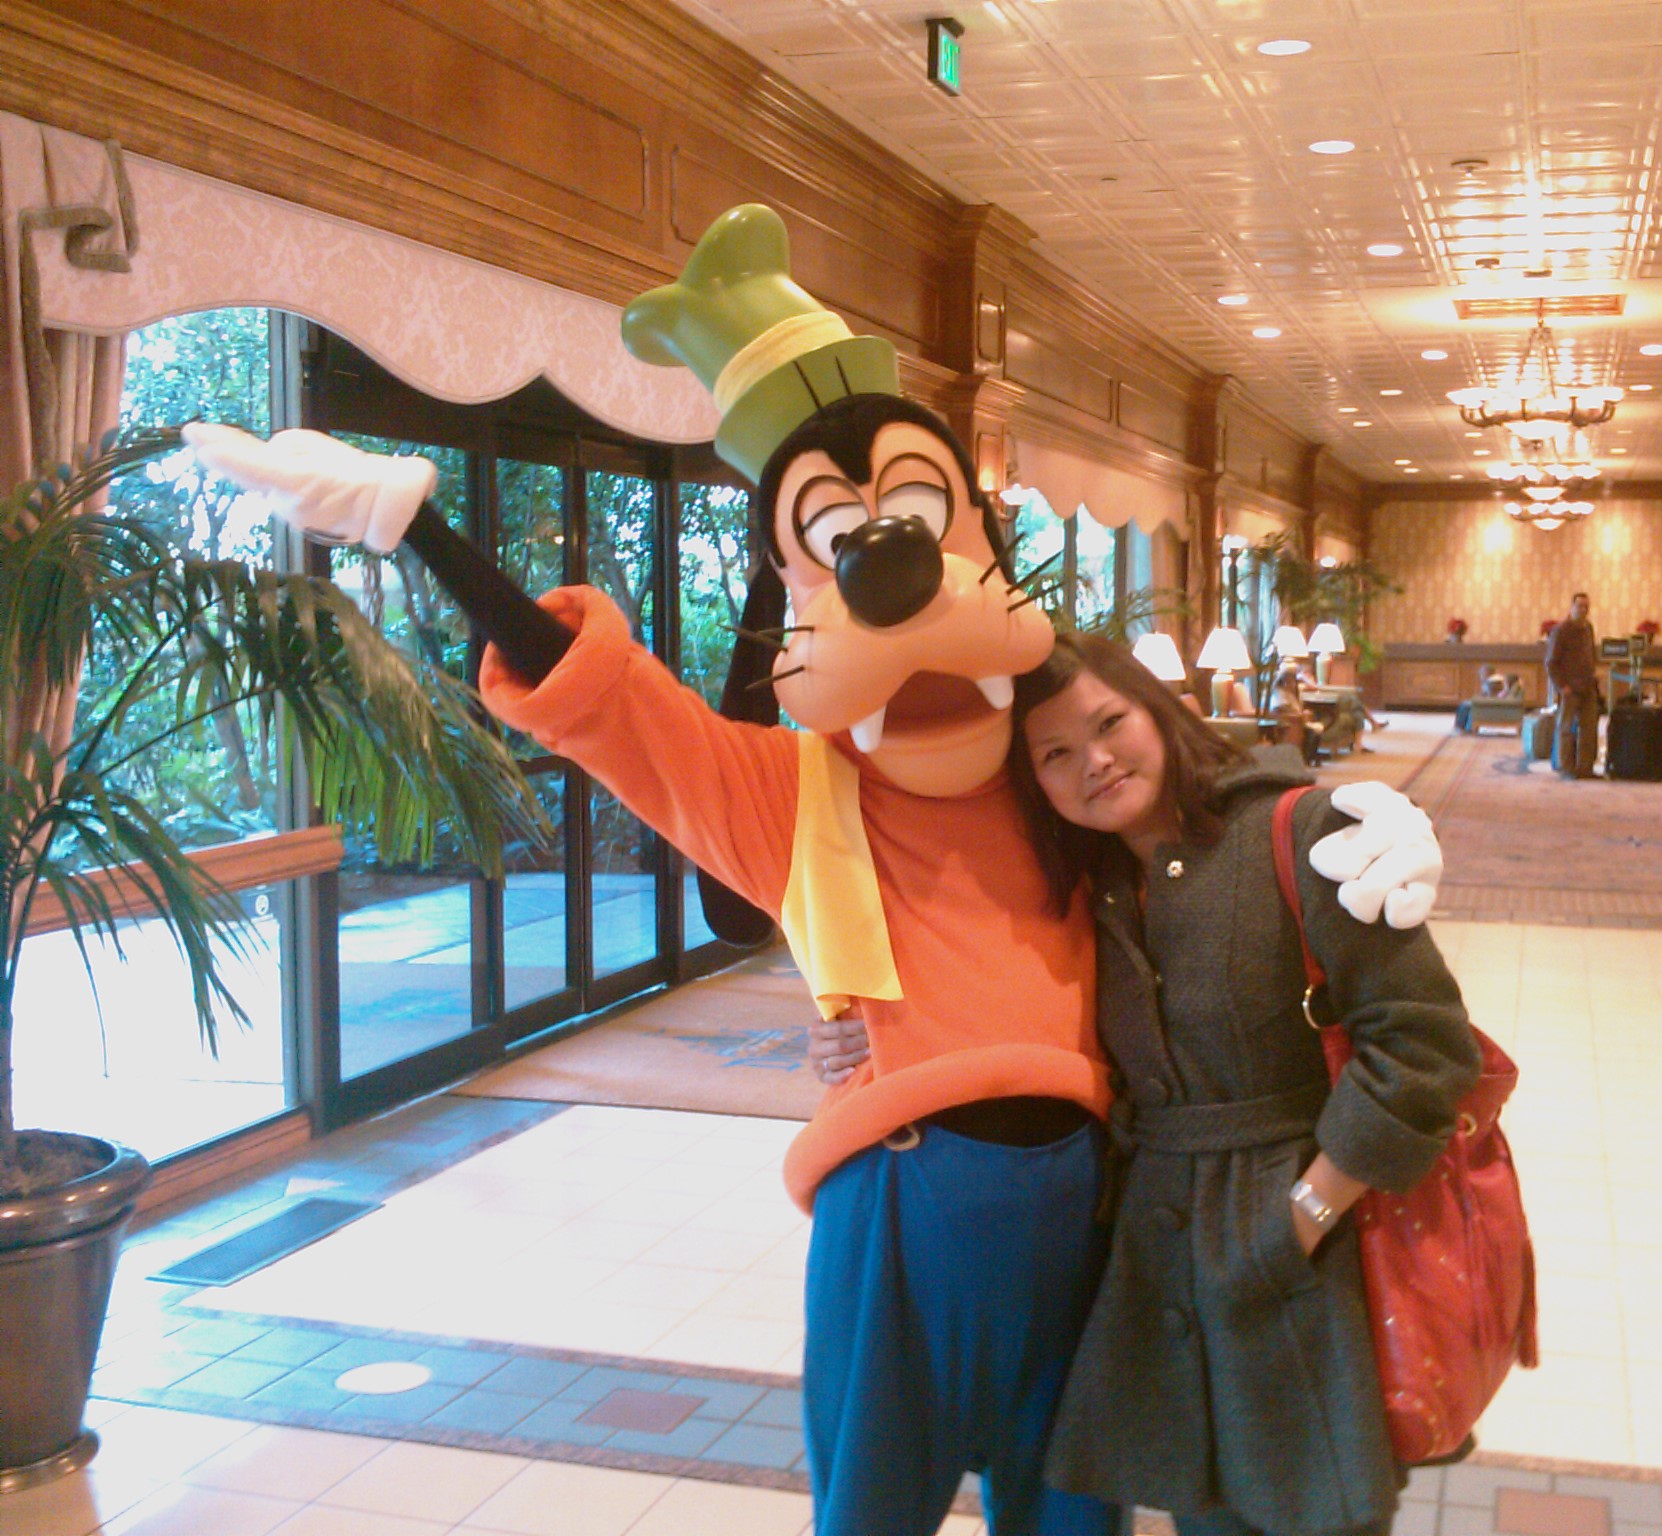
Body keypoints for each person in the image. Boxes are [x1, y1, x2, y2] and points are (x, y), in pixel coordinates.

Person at [189, 201, 1449, 1536]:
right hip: (899, 1192)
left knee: (1073, 1513)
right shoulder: (791, 796)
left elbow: (1173, 787)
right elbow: (616, 711)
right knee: (874, 1506)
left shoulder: (1045, 769)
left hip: (1090, 1205)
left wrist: (1347, 820)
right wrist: (422, 530)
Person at [1014, 633, 1480, 1536]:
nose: (1094, 762)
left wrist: (1300, 1219)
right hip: (1162, 1260)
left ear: (1159, 710)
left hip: (1308, 1252)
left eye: (1109, 724)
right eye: (1055, 754)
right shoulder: (1093, 884)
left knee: (1320, 1513)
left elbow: (1424, 1046)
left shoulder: (1300, 831)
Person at [1543, 591, 1600, 778]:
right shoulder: (1560, 631)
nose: (1583, 610)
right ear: (1572, 607)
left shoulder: (1588, 628)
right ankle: (1566, 767)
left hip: (1588, 686)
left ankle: (1585, 768)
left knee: (1589, 729)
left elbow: (1591, 654)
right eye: (1579, 606)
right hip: (1569, 688)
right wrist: (1562, 686)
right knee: (1566, 729)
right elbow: (1551, 663)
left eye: (1586, 606)